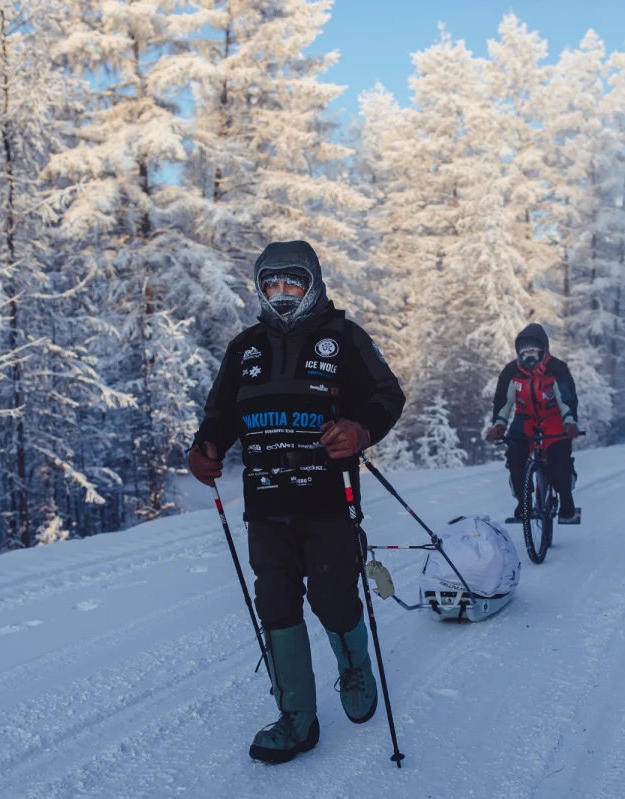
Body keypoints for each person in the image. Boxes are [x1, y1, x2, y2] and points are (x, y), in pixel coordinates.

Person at [187, 240, 405, 765]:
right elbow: (220, 414)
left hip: (328, 500)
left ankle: (354, 667)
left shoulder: (344, 338)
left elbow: (387, 396)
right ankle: (296, 717)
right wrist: (205, 447)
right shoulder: (245, 349)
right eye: (271, 284)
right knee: (277, 606)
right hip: (264, 504)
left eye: (292, 283)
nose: (281, 294)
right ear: (260, 288)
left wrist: (360, 428)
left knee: (332, 599)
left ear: (313, 284)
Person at [483, 323, 581, 524]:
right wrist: (499, 425)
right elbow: (504, 401)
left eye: (534, 351)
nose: (530, 357)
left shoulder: (557, 369)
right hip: (525, 419)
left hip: (553, 419)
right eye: (525, 352)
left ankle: (566, 500)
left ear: (543, 349)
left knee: (559, 456)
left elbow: (567, 399)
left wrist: (569, 422)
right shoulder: (511, 372)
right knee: (515, 455)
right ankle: (523, 501)